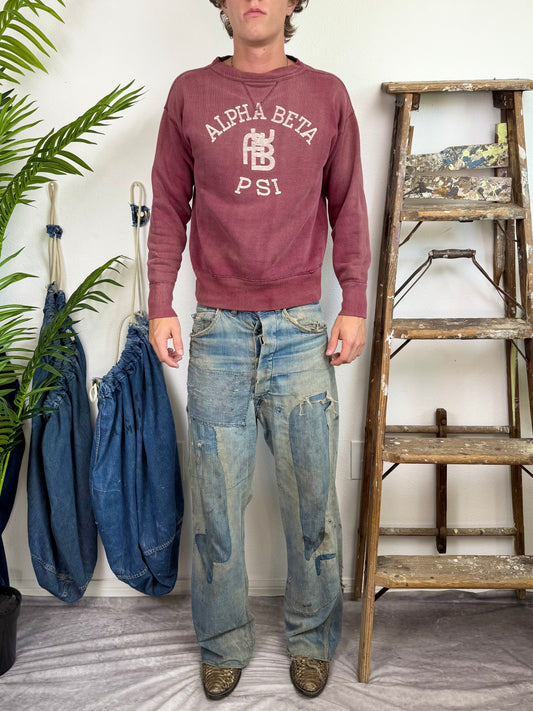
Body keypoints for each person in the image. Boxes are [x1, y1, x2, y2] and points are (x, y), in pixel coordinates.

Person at [147, 0, 370, 700]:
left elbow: (348, 204)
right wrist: (160, 301)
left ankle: (311, 638)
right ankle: (222, 641)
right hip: (216, 329)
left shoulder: (326, 95)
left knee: (312, 502)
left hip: (300, 329)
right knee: (216, 504)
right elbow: (168, 205)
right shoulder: (190, 93)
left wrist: (354, 299)